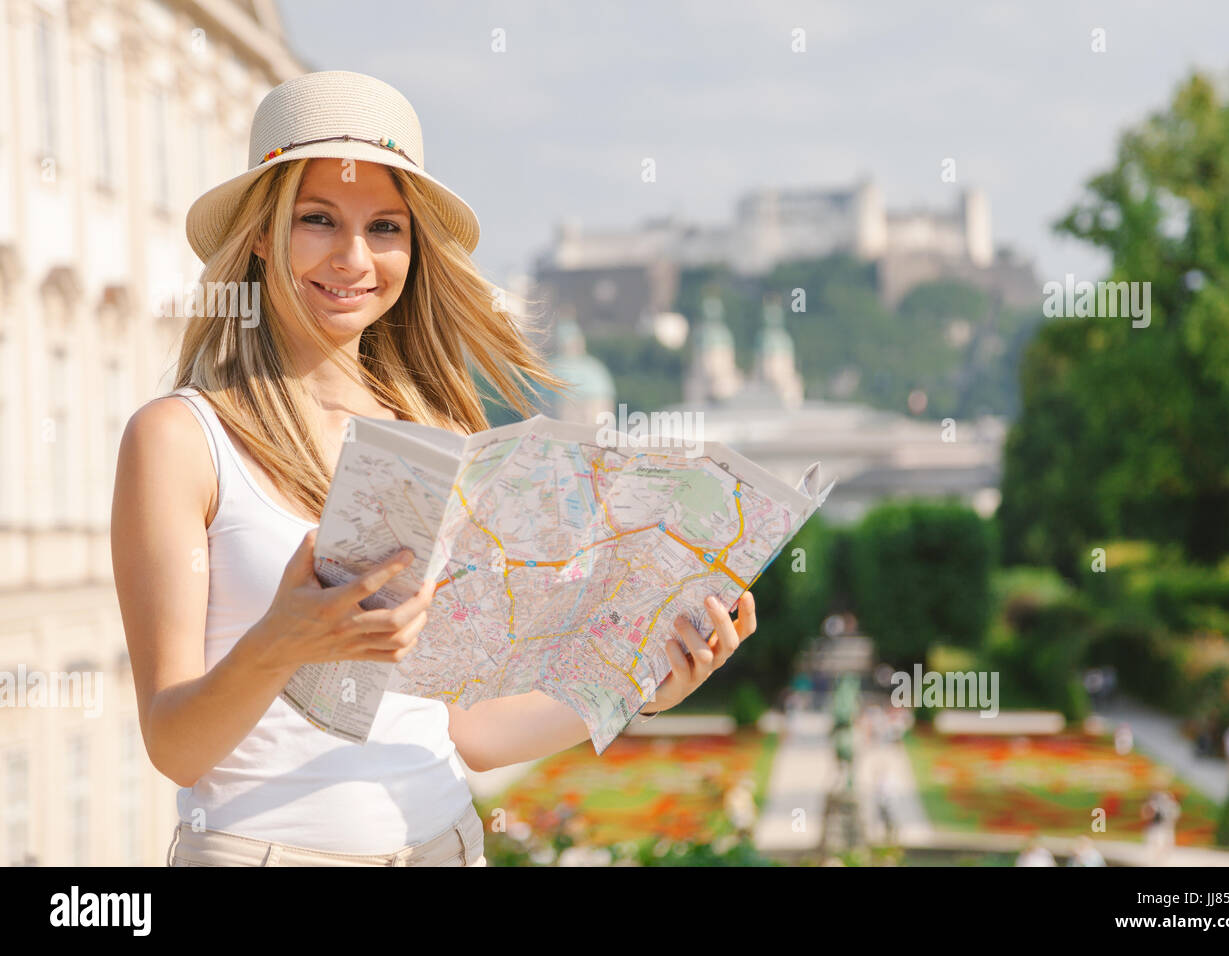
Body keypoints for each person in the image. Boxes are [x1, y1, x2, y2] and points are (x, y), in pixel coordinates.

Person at [111, 71, 758, 867]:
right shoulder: (181, 438)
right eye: (317, 219)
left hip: (444, 845)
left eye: (385, 227)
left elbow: (469, 732)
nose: (354, 258)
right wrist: (280, 642)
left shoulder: (438, 433)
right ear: (258, 235)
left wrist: (643, 684)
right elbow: (175, 745)